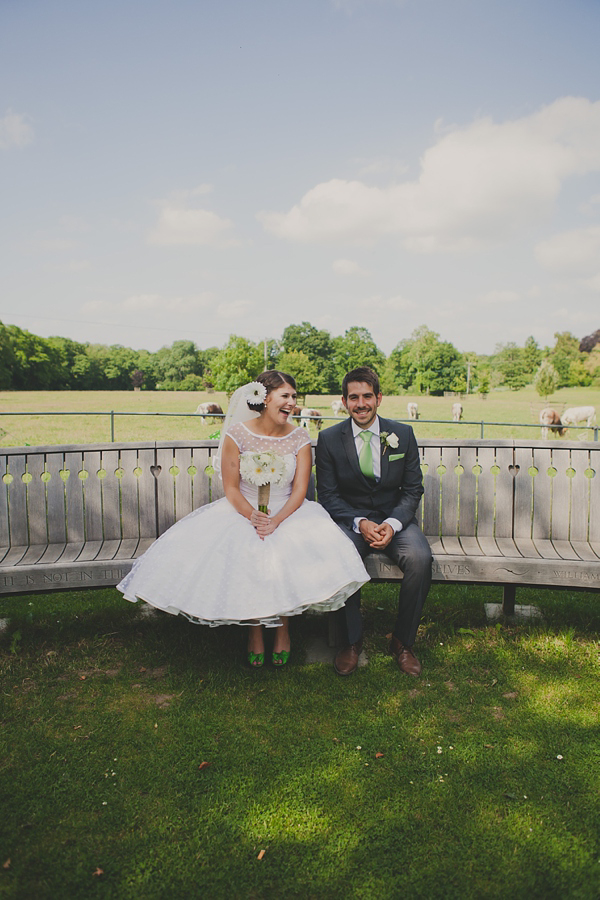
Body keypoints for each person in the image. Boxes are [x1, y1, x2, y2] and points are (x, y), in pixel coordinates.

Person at [117, 371, 369, 667]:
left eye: (294, 397)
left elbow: (300, 489)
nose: (291, 403)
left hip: (289, 511)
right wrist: (254, 516)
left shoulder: (300, 436)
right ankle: (254, 631)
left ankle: (283, 629)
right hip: (242, 510)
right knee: (248, 550)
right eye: (285, 396)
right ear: (264, 398)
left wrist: (276, 520)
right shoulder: (237, 434)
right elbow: (231, 488)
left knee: (285, 549)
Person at [315, 366, 432, 677]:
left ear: (379, 398)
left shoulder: (402, 434)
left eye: (367, 396)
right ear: (344, 401)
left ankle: (403, 642)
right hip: (352, 521)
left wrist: (392, 525)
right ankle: (351, 641)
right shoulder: (328, 439)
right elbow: (327, 495)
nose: (361, 403)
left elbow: (412, 489)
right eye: (354, 397)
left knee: (420, 558)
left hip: (396, 520)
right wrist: (360, 522)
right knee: (340, 554)